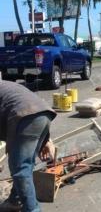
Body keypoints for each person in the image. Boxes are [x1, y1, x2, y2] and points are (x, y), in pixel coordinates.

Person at [0, 81, 56, 212]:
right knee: (26, 165)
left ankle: (32, 209)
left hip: (25, 117)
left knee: (20, 168)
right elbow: (28, 104)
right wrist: (47, 140)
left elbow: (22, 108)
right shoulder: (7, 86)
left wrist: (47, 141)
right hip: (43, 113)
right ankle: (15, 200)